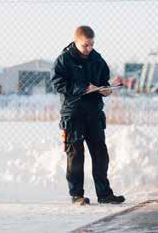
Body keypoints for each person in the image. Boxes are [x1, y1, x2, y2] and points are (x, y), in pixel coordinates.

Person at [51, 25, 125, 205]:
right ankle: (77, 195)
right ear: (76, 42)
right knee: (75, 155)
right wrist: (82, 88)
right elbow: (57, 83)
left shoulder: (98, 60)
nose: (89, 48)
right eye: (85, 45)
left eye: (91, 44)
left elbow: (102, 82)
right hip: (73, 114)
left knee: (100, 154)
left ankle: (105, 194)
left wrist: (106, 90)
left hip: (93, 113)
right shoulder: (63, 60)